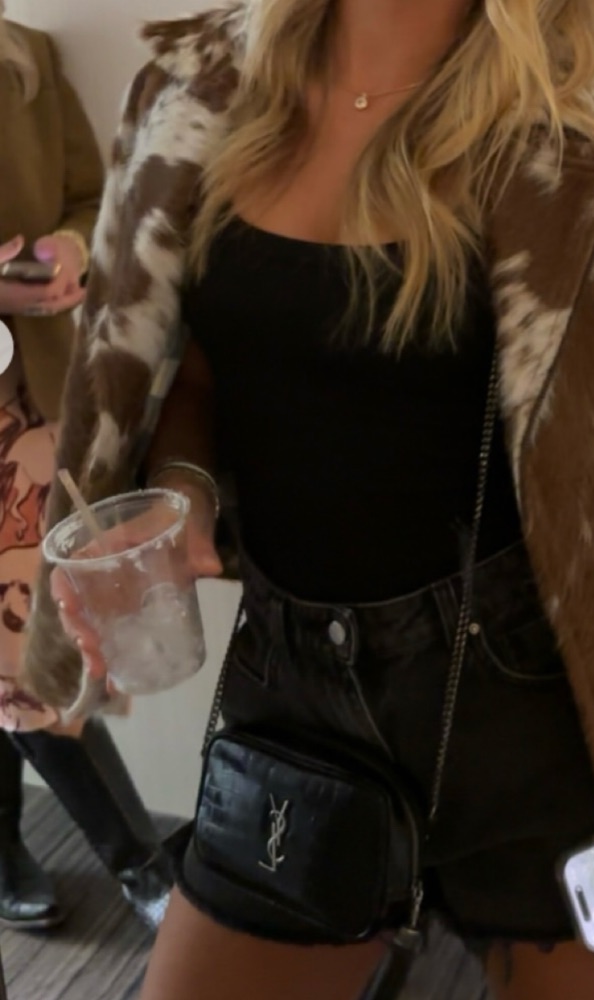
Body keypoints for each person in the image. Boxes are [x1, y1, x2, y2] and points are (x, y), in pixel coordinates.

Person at [27, 1, 594, 998]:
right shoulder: (193, 91)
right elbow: (200, 368)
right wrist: (183, 491)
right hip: (293, 684)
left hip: (538, 702)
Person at [0, 11, 172, 931]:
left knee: (32, 649)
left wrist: (67, 250)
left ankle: (133, 862)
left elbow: (85, 195)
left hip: (25, 400)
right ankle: (140, 864)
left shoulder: (23, 56)